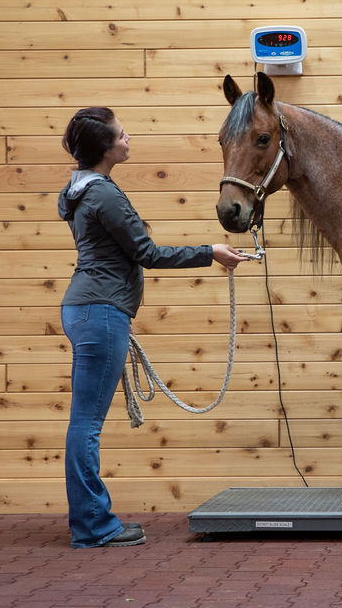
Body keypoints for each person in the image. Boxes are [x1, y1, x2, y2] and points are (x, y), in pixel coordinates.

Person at [58, 107, 249, 548]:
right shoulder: (103, 195)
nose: (129, 139)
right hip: (100, 311)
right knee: (86, 426)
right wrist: (211, 252)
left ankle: (90, 522)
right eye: (123, 135)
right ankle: (93, 528)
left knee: (83, 424)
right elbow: (147, 252)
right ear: (106, 148)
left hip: (90, 308)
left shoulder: (82, 189)